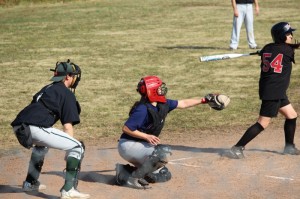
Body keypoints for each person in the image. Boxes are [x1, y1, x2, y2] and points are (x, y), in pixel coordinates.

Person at [115, 76, 227, 189]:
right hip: (128, 145)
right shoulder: (142, 109)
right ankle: (133, 179)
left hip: (142, 146)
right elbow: (127, 128)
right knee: (162, 153)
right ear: (152, 91)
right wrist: (146, 136)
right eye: (159, 88)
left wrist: (204, 100)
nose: (162, 90)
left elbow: (183, 103)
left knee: (163, 175)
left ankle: (125, 172)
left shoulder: (162, 104)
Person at [11, 60, 90, 199]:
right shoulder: (66, 94)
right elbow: (67, 126)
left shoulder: (48, 88)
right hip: (34, 127)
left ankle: (30, 182)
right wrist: (69, 150)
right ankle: (69, 189)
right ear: (67, 77)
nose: (75, 78)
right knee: (77, 147)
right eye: (73, 75)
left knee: (41, 146)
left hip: (20, 125)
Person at [229, 22, 300, 159]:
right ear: (281, 36)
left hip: (275, 89)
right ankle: (237, 147)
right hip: (273, 91)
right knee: (262, 123)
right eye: (288, 34)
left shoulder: (267, 48)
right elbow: (292, 47)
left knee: (291, 115)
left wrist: (263, 52)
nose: (291, 36)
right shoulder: (287, 50)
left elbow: (273, 52)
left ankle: (289, 147)